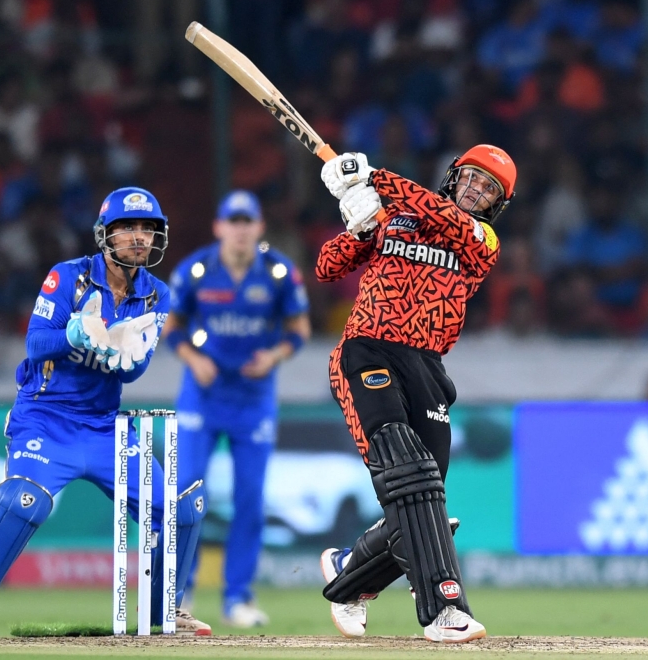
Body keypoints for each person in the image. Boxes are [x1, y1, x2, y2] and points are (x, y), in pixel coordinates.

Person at [0, 187, 211, 637]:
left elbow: (134, 370)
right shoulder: (68, 278)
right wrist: (77, 334)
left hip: (104, 427)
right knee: (23, 501)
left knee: (182, 508)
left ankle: (166, 612)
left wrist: (125, 354)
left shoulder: (157, 295)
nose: (139, 238)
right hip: (46, 415)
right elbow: (36, 344)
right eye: (128, 229)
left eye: (147, 229)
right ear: (106, 235)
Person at [314, 144, 517, 643]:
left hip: (426, 366)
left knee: (423, 499)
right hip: (367, 350)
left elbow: (438, 214)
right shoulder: (396, 216)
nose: (476, 190)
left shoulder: (480, 239)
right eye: (471, 178)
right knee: (410, 473)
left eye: (488, 189)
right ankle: (444, 610)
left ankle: (349, 576)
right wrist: (360, 228)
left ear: (496, 206)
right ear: (453, 176)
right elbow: (326, 267)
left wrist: (377, 177)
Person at [161, 189, 311, 627]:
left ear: (259, 227)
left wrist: (274, 357)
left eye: (248, 221)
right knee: (187, 494)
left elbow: (299, 328)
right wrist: (194, 358)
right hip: (202, 397)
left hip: (253, 399)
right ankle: (178, 594)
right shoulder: (195, 270)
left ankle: (238, 599)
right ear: (219, 227)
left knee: (249, 499)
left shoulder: (280, 273)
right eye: (234, 220)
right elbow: (171, 326)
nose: (241, 229)